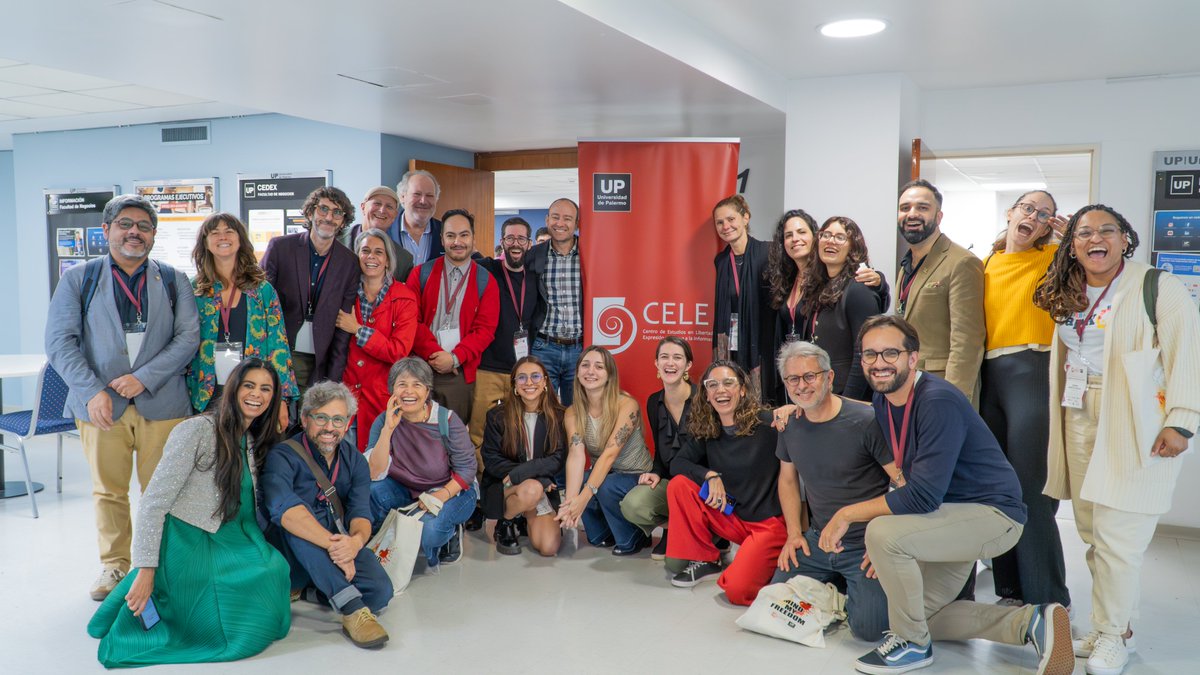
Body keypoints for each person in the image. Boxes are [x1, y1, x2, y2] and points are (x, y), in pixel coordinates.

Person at [831, 315, 1070, 675]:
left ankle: (911, 646)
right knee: (924, 615)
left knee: (881, 532)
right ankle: (1031, 622)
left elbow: (922, 497)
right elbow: (908, 477)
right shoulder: (885, 401)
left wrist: (848, 514)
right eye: (869, 354)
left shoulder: (937, 400)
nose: (879, 363)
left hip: (992, 517)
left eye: (890, 353)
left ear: (913, 358)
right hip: (950, 516)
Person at [1034, 204, 1200, 675]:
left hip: (1135, 416)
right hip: (1078, 412)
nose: (1094, 238)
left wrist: (1182, 420)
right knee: (1091, 531)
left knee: (1119, 536)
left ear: (1125, 238)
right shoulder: (1069, 288)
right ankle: (1115, 624)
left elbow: (1187, 351)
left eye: (1107, 230)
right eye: (1083, 232)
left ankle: (1112, 636)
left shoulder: (1156, 285)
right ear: (1072, 243)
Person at [45, 193, 200, 601]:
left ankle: (161, 565)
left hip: (163, 403)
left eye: (144, 226)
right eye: (125, 225)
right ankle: (115, 566)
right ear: (107, 230)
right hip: (101, 408)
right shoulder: (80, 279)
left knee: (163, 490)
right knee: (109, 491)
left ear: (153, 234)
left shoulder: (172, 279)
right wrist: (92, 390)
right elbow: (60, 342)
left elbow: (188, 338)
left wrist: (143, 378)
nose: (135, 232)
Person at [87, 359, 291, 666]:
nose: (257, 394)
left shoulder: (249, 440)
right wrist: (145, 569)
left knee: (273, 568)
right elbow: (154, 502)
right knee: (230, 594)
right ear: (234, 388)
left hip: (229, 535)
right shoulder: (196, 430)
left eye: (266, 389)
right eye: (249, 385)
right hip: (187, 539)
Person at [981, 191, 1072, 609]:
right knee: (996, 487)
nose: (1033, 217)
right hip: (989, 375)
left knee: (1032, 489)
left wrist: (1069, 239)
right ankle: (1011, 589)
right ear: (1011, 213)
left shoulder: (1054, 258)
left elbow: (1093, 270)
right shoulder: (987, 262)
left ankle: (1049, 597)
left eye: (1044, 215)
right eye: (1027, 209)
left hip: (1033, 368)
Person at [771, 341, 894, 642]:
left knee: (870, 629)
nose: (802, 386)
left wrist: (888, 545)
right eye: (793, 379)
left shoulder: (866, 422)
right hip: (818, 539)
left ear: (829, 377)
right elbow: (787, 480)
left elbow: (904, 484)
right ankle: (840, 587)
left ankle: (845, 588)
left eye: (810, 376)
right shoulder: (789, 424)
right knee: (774, 602)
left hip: (865, 544)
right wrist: (793, 534)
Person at [261, 381, 393, 649]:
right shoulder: (282, 456)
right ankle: (352, 609)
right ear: (305, 418)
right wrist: (336, 547)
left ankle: (314, 589)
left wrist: (354, 544)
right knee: (300, 520)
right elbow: (285, 513)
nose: (329, 428)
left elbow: (360, 513)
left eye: (337, 419)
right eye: (321, 418)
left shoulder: (354, 460)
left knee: (380, 592)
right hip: (289, 555)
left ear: (348, 423)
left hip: (335, 549)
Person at [666, 360, 786, 606]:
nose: (720, 390)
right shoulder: (708, 428)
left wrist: (793, 410)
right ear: (707, 395)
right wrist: (709, 475)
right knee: (679, 484)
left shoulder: (768, 423)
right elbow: (677, 463)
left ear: (742, 389)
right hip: (732, 517)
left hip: (766, 525)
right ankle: (707, 559)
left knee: (737, 591)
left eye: (728, 383)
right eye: (713, 385)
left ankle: (761, 562)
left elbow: (808, 419)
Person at [187, 212, 297, 430]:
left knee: (253, 456)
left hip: (254, 394)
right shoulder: (195, 290)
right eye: (215, 233)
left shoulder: (262, 290)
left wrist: (282, 399)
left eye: (229, 231)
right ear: (205, 243)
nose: (223, 237)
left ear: (240, 239)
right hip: (206, 391)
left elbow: (278, 345)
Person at [365, 357, 478, 567]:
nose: (409, 392)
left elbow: (467, 470)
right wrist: (388, 429)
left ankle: (451, 532)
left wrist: (438, 497)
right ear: (392, 390)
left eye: (417, 385)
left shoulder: (447, 420)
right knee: (371, 491)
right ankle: (384, 536)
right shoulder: (384, 420)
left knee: (429, 532)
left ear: (427, 391)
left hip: (450, 490)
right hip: (405, 489)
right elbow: (373, 472)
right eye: (402, 385)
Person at [555, 346, 653, 555]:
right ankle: (605, 533)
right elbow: (576, 454)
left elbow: (610, 454)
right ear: (578, 371)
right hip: (607, 474)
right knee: (584, 483)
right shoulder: (572, 412)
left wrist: (583, 499)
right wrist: (571, 502)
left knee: (604, 486)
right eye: (585, 365)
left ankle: (635, 538)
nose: (591, 371)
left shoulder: (626, 404)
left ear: (609, 375)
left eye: (599, 367)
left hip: (636, 475)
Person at [261, 186, 360, 393]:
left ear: (343, 221)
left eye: (337, 213)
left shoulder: (350, 262)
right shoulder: (280, 248)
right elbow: (260, 304)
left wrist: (333, 380)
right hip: (280, 351)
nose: (329, 217)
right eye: (323, 209)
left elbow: (343, 325)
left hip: (320, 359)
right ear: (310, 212)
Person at [894, 179, 985, 404]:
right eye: (905, 208)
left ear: (939, 216)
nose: (912, 214)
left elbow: (967, 341)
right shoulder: (906, 265)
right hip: (908, 384)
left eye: (922, 207)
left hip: (942, 387)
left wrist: (953, 399)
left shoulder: (961, 262)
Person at [406, 208, 500, 423]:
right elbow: (411, 321)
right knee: (417, 435)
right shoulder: (420, 274)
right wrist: (435, 353)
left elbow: (485, 330)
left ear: (473, 237)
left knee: (454, 438)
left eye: (464, 235)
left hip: (459, 374)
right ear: (442, 239)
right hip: (420, 369)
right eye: (451, 235)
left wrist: (454, 358)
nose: (458, 241)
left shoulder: (486, 281)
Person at [335, 228, 419, 451]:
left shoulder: (404, 297)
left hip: (382, 396)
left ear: (388, 260)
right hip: (346, 394)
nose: (371, 257)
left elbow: (398, 351)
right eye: (365, 251)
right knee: (344, 464)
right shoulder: (345, 292)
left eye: (378, 252)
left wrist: (358, 330)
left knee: (378, 464)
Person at [481, 356, 566, 556]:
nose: (529, 382)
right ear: (514, 385)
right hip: (503, 485)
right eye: (522, 378)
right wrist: (537, 478)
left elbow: (558, 458)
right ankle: (506, 521)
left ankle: (524, 516)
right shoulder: (497, 416)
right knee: (532, 490)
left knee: (548, 548)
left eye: (535, 376)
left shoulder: (559, 416)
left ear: (545, 381)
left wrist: (528, 472)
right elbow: (492, 460)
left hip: (538, 486)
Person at [469, 216, 541, 453]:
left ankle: (512, 480)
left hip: (520, 371)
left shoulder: (535, 278)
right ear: (502, 242)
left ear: (529, 244)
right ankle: (478, 483)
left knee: (517, 430)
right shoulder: (487, 269)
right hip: (487, 368)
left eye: (521, 238)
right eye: (510, 238)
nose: (515, 243)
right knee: (477, 432)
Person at [619, 337, 695, 562]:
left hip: (699, 485)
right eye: (664, 357)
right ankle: (672, 529)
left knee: (676, 563)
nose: (670, 363)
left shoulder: (704, 399)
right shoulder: (654, 402)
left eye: (677, 357)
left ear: (688, 366)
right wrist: (656, 472)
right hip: (671, 482)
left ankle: (707, 531)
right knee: (633, 505)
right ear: (656, 364)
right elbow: (661, 452)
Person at [799, 216, 882, 401]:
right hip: (823, 391)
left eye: (840, 237)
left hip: (847, 396)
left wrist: (848, 401)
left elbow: (864, 352)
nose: (830, 241)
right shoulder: (819, 286)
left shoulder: (858, 289)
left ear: (853, 247)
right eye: (826, 235)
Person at [711, 195, 773, 401]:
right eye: (719, 222)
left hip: (763, 343)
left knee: (763, 399)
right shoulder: (721, 261)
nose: (725, 226)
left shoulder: (769, 252)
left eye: (730, 219)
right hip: (732, 344)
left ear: (745, 218)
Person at [527, 198, 583, 406]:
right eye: (555, 217)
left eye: (567, 219)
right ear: (547, 219)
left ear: (577, 224)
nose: (560, 223)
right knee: (541, 410)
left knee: (576, 413)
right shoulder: (533, 256)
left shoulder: (589, 254)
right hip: (544, 347)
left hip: (580, 349)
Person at [344, 186, 416, 282]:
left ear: (395, 215)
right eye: (377, 204)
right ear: (363, 207)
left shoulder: (403, 259)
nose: (382, 210)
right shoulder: (335, 239)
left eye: (389, 207)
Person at [392, 170, 445, 267]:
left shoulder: (446, 232)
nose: (423, 201)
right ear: (402, 197)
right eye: (417, 194)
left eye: (429, 195)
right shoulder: (386, 231)